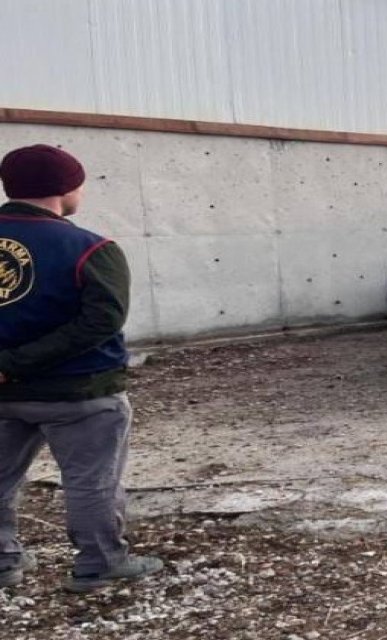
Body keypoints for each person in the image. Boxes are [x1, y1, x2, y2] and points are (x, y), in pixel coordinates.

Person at [0, 144, 161, 592]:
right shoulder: (91, 248)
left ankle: (2, 562)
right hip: (81, 393)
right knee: (91, 482)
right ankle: (99, 563)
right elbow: (102, 320)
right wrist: (14, 364)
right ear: (66, 188)